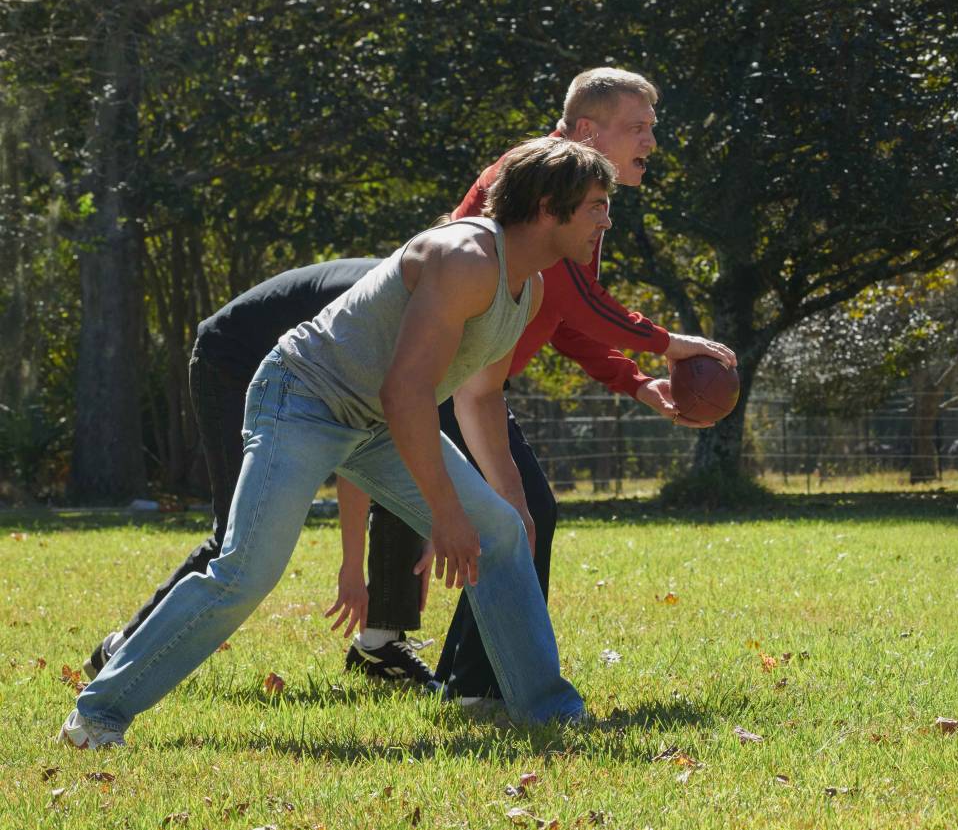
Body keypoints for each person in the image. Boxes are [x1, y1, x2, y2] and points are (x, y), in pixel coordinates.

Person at [60, 137, 606, 748]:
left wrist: (514, 507)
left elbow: (478, 398)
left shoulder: (524, 288)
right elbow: (407, 391)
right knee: (247, 569)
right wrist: (446, 515)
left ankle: (547, 712)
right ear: (546, 208)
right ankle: (98, 714)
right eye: (594, 206)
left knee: (503, 536)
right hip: (302, 400)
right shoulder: (466, 258)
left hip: (373, 423)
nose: (606, 220)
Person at [364, 67, 736, 702]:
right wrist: (668, 344)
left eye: (653, 128)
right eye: (637, 128)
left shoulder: (579, 191)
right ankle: (476, 686)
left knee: (518, 518)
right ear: (588, 130)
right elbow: (578, 298)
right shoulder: (538, 181)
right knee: (519, 518)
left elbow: (562, 315)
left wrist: (639, 382)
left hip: (470, 383)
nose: (650, 142)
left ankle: (467, 679)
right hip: (436, 381)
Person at [80, 259, 442, 689]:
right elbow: (357, 451)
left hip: (289, 370)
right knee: (239, 535)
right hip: (230, 363)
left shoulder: (432, 303)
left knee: (400, 467)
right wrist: (350, 568)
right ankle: (122, 652)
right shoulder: (397, 308)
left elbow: (384, 446)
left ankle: (380, 642)